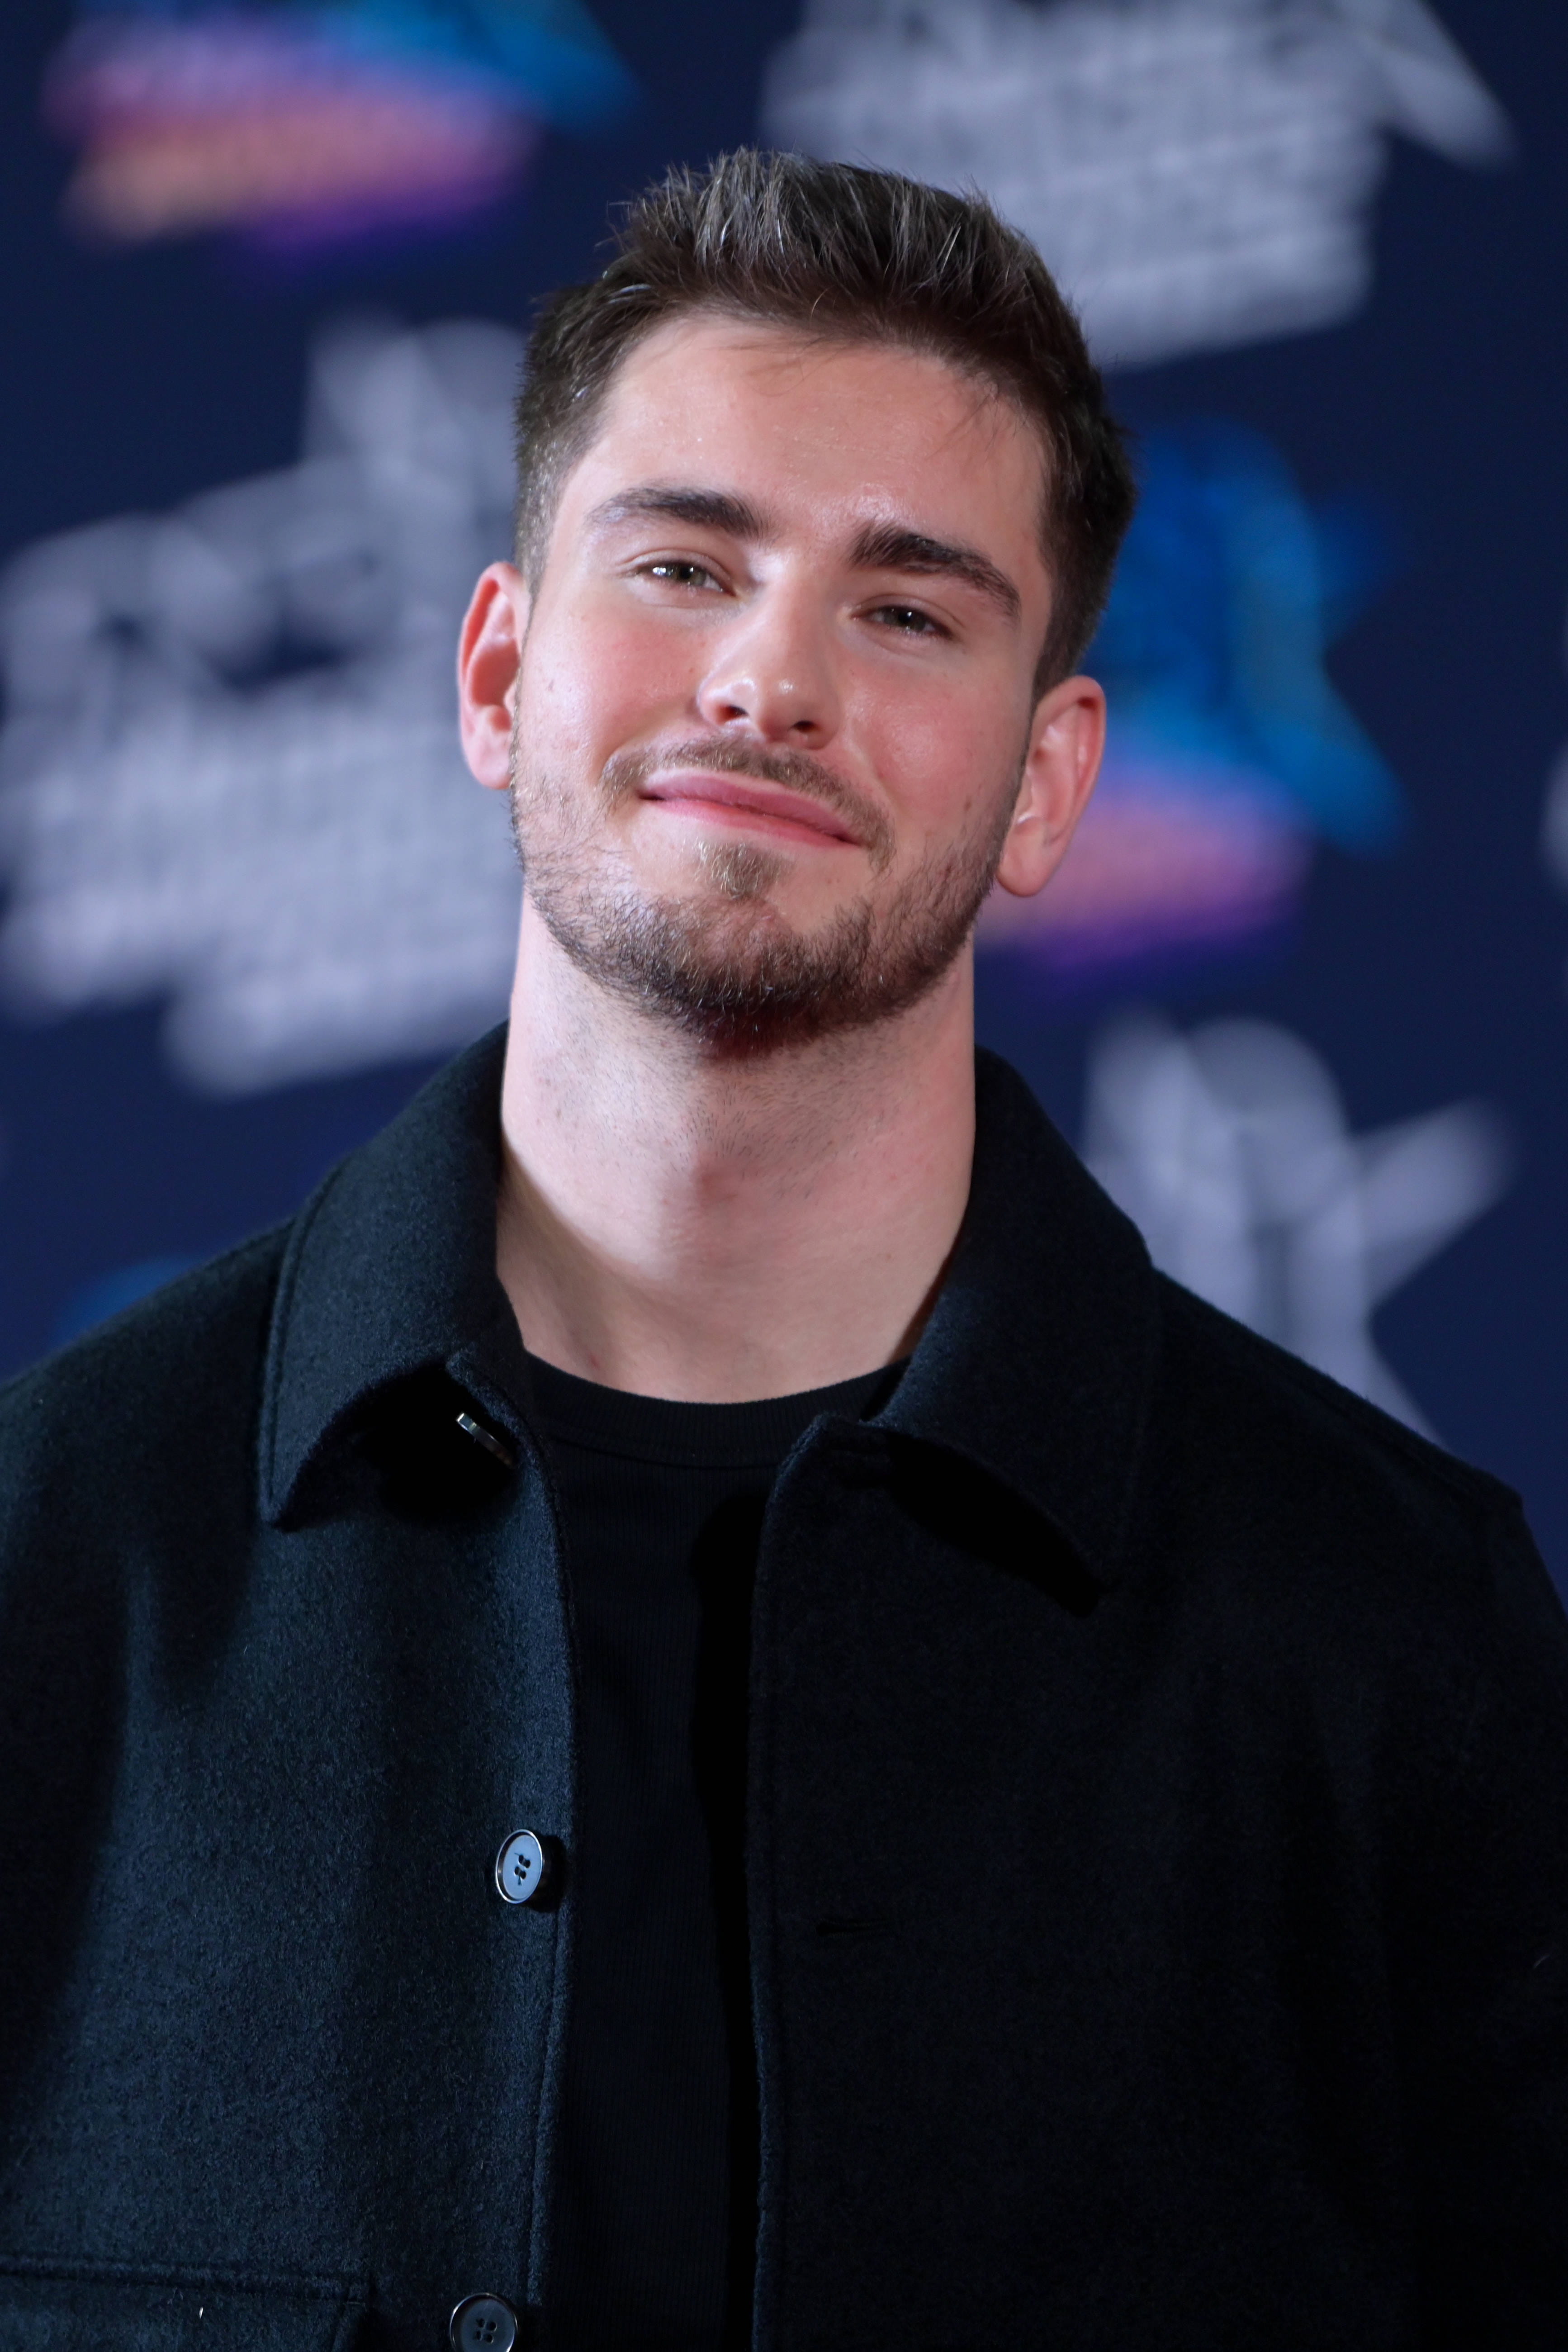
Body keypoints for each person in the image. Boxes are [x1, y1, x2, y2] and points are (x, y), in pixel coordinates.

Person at [0, 149, 1564, 2352]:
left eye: (907, 610)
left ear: (1048, 781)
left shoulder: (1396, 1632)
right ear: (498, 668)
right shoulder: (49, 1551)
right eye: (684, 564)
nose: (768, 679)